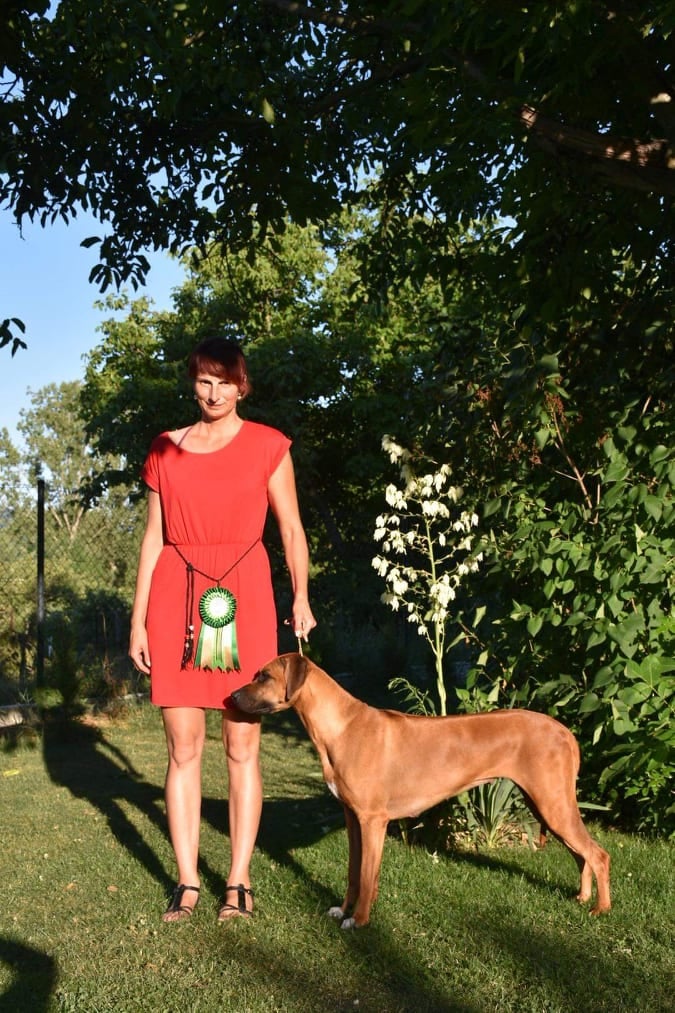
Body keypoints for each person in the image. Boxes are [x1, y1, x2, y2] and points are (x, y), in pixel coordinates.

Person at [129, 336, 316, 922]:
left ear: (242, 386)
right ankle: (187, 881)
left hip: (246, 595)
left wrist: (301, 595)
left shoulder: (269, 445)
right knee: (183, 747)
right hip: (175, 599)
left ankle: (238, 880)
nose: (213, 393)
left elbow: (291, 529)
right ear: (193, 383)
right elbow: (154, 538)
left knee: (242, 745)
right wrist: (138, 619)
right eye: (204, 381)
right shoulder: (165, 449)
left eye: (224, 382)